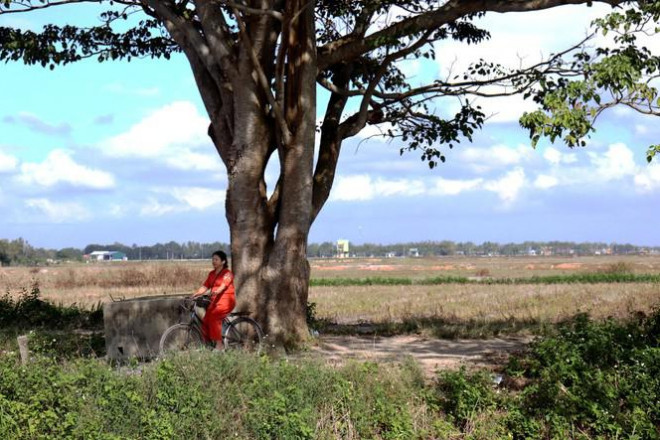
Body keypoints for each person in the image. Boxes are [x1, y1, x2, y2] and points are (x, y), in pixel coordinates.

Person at [192, 250, 236, 349]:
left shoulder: (227, 273)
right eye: (213, 259)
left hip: (226, 301)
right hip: (215, 301)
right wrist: (195, 294)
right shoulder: (211, 274)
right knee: (206, 321)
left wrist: (217, 291)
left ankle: (219, 345)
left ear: (223, 261)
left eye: (216, 259)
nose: (213, 261)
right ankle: (209, 345)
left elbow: (224, 285)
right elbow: (205, 286)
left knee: (214, 318)